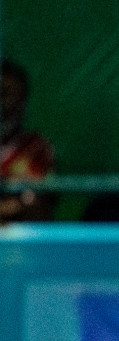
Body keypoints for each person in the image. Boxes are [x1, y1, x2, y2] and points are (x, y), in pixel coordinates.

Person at [0, 59, 56, 223]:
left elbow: (32, 204)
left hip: (22, 241)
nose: (2, 103)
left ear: (23, 102)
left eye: (5, 94)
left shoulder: (37, 148)